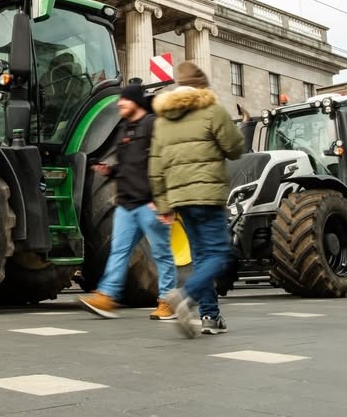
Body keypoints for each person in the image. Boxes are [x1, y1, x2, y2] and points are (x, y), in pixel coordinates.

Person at [149, 61, 244, 337]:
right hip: (207, 195)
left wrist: (164, 204)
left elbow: (155, 166)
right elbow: (234, 147)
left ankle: (210, 316)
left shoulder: (163, 119)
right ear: (202, 86)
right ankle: (185, 295)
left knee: (202, 258)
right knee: (220, 254)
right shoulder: (211, 110)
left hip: (180, 199)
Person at [78, 83, 178, 320]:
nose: (120, 103)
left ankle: (168, 301)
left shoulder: (154, 125)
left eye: (125, 99)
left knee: (161, 253)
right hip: (126, 204)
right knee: (118, 251)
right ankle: (107, 297)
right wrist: (109, 171)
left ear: (135, 102)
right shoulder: (126, 128)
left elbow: (167, 163)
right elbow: (128, 165)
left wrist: (164, 202)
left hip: (149, 204)